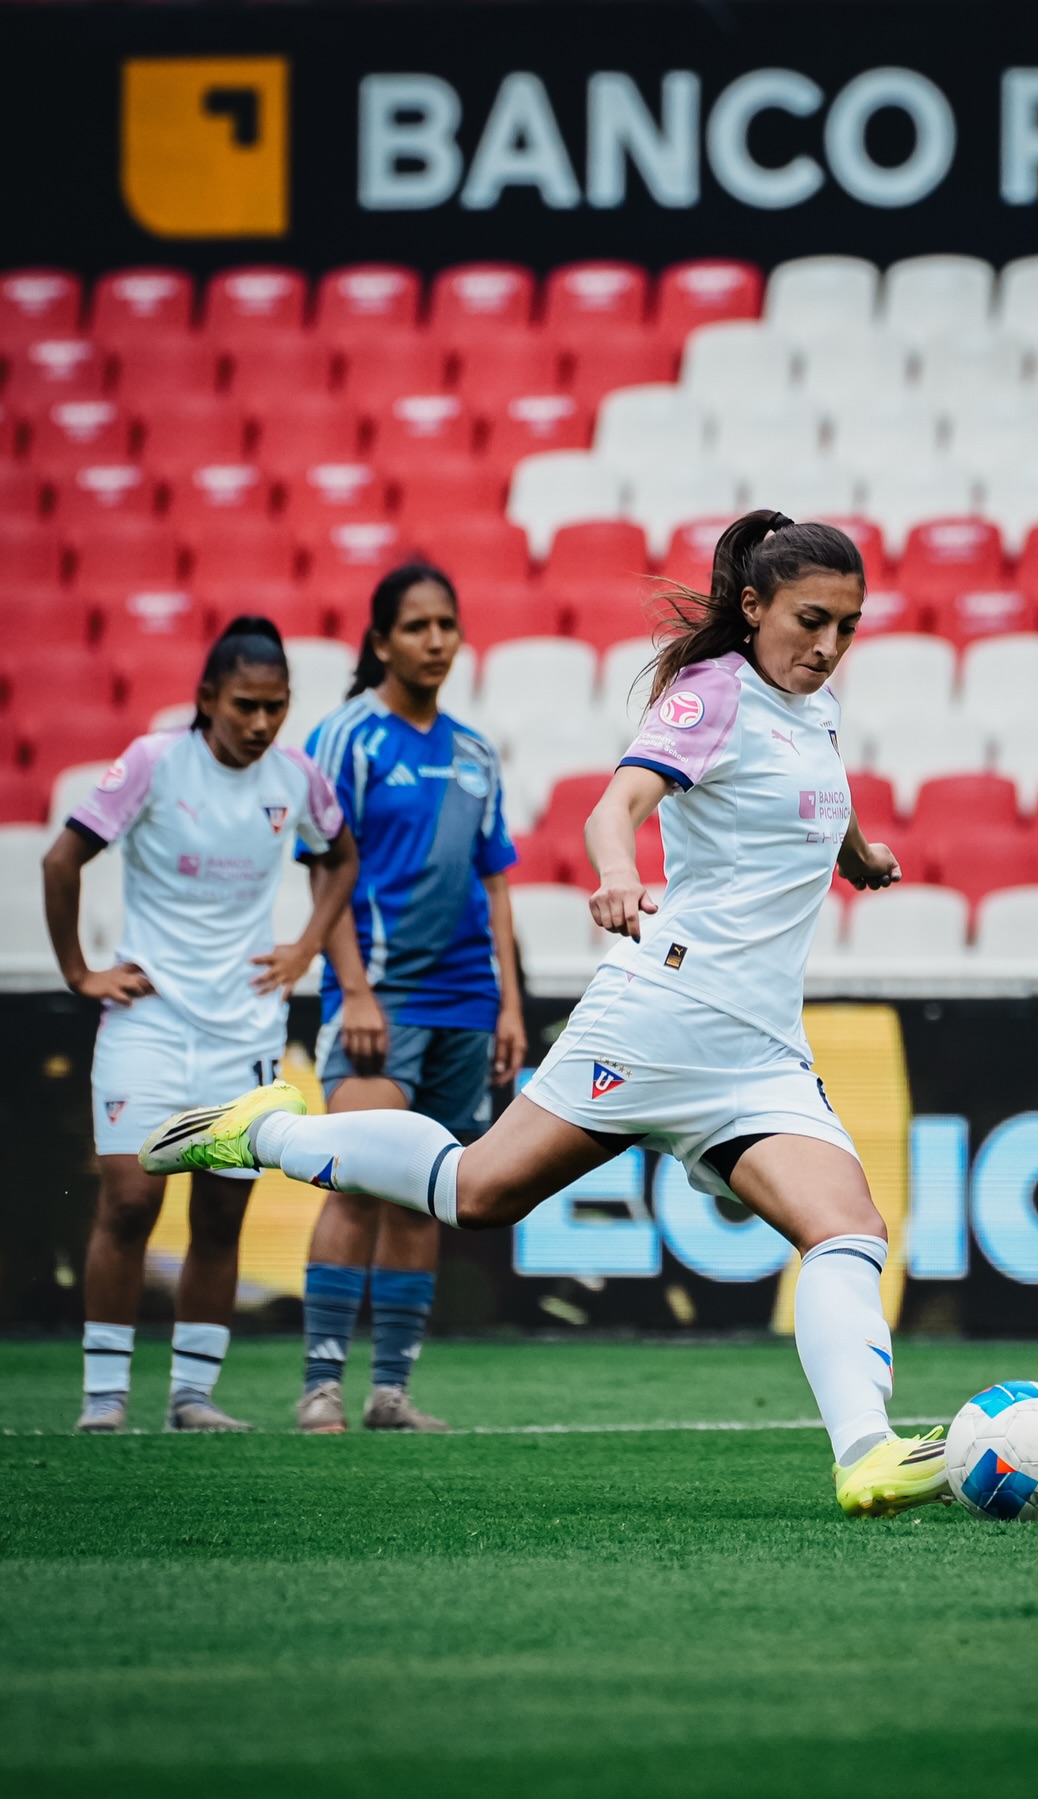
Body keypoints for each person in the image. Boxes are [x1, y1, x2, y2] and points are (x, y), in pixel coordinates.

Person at [142, 514, 949, 1517]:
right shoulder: (711, 695)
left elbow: (812, 792)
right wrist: (617, 877)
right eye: (811, 620)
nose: (828, 645)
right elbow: (614, 808)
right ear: (753, 608)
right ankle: (263, 1129)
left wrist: (857, 851)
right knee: (479, 1193)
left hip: (758, 1048)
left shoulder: (814, 703)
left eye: (850, 627)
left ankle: (867, 1454)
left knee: (849, 1230)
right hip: (659, 1017)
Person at [44, 617, 356, 1433]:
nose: (261, 724)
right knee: (128, 1201)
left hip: (245, 1033)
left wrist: (307, 943)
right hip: (147, 1022)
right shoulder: (153, 763)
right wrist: (81, 972)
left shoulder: (294, 776)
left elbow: (341, 856)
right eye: (247, 706)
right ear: (207, 698)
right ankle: (104, 1401)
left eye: (276, 707)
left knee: (222, 1214)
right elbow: (60, 860)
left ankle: (191, 1398)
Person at [293, 564, 525, 1434]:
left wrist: (506, 1004)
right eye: (417, 626)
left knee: (427, 1190)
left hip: (468, 1001)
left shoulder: (475, 751)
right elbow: (327, 874)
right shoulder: (346, 737)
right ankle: (321, 1384)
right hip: (379, 999)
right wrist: (351, 988)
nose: (435, 641)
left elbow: (495, 884)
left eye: (446, 625)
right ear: (381, 639)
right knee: (354, 1181)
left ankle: (390, 1391)